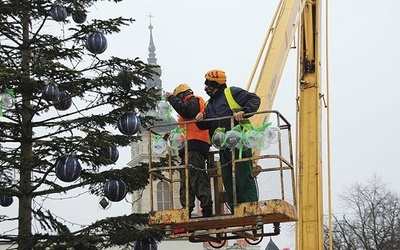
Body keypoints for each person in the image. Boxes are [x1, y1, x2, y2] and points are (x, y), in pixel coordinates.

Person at [195, 69, 260, 212]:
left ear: (214, 84)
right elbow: (206, 124)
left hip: (239, 145)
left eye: (207, 84)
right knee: (228, 180)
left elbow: (255, 99)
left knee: (243, 177)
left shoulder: (231, 93)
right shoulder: (209, 105)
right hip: (224, 147)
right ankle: (235, 210)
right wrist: (200, 120)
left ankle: (250, 208)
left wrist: (245, 111)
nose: (205, 88)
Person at [165, 83, 213, 217]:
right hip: (188, 146)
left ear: (182, 95)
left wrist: (171, 98)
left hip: (195, 145)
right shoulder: (190, 106)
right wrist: (172, 135)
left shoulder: (194, 100)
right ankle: (187, 208)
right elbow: (186, 127)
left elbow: (186, 111)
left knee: (197, 177)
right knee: (186, 180)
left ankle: (206, 207)